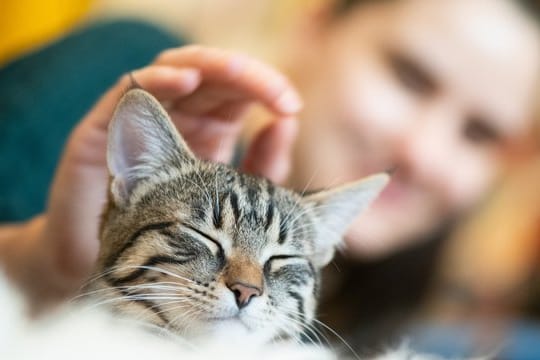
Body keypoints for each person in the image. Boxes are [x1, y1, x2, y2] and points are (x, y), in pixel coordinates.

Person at [0, 0, 538, 350]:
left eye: (479, 132)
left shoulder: (415, 316)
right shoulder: (134, 66)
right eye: (409, 76)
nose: (419, 150)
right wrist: (41, 259)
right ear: (316, 27)